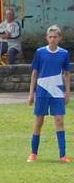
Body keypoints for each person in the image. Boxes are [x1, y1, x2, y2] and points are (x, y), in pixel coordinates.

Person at [26, 25, 70, 162]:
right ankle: (33, 153)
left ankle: (62, 155)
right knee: (39, 121)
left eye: (55, 37)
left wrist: (67, 92)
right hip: (42, 91)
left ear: (59, 38)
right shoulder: (40, 52)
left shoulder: (64, 53)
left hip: (57, 92)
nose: (52, 39)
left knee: (59, 121)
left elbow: (67, 73)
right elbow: (34, 73)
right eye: (50, 37)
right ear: (46, 38)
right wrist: (31, 93)